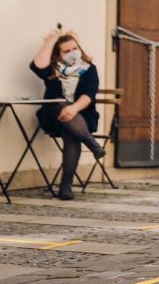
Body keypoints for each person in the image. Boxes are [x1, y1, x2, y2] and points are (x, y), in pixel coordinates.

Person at [30, 30, 105, 200]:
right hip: (52, 117)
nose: (73, 53)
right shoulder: (52, 69)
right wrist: (49, 43)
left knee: (71, 133)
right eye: (67, 50)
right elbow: (36, 66)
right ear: (58, 55)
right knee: (59, 102)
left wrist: (74, 108)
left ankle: (66, 187)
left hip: (83, 117)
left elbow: (89, 94)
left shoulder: (88, 69)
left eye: (75, 48)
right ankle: (92, 144)